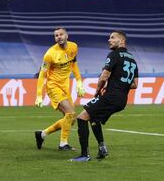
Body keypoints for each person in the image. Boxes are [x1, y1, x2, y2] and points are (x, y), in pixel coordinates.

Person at [71, 30, 138, 162]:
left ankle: (84, 155)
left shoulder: (113, 54)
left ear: (122, 41)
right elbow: (135, 84)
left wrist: (97, 90)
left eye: (113, 38)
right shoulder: (132, 59)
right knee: (93, 118)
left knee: (82, 118)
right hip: (122, 100)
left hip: (111, 96)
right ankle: (102, 148)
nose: (109, 40)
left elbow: (104, 75)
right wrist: (119, 84)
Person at [34, 27, 86, 151]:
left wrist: (79, 82)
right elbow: (42, 74)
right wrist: (39, 95)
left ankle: (42, 134)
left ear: (67, 35)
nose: (59, 37)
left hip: (65, 86)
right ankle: (63, 144)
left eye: (61, 34)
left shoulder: (74, 47)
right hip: (53, 86)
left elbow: (74, 64)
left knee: (71, 119)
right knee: (70, 113)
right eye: (56, 35)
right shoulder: (50, 54)